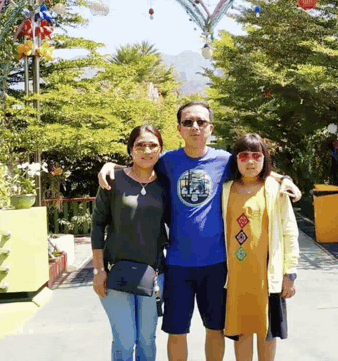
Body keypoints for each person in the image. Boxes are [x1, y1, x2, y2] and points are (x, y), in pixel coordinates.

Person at [98, 102, 301, 361]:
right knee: (176, 331)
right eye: (188, 122)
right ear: (179, 128)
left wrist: (284, 179)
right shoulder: (167, 161)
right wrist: (111, 166)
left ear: (210, 128)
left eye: (201, 122)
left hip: (217, 264)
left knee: (215, 329)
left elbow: (255, 170)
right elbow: (140, 165)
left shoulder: (225, 160)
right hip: (177, 264)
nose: (195, 127)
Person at [92, 124, 167, 361]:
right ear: (131, 150)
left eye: (153, 145)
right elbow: (97, 224)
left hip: (153, 275)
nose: (147, 150)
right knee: (124, 342)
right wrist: (98, 269)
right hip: (116, 274)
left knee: (147, 341)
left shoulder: (166, 184)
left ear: (160, 150)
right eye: (140, 145)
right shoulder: (113, 180)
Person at [222, 134, 299, 361]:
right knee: (241, 331)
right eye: (244, 155)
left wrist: (290, 273)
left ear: (264, 158)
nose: (250, 161)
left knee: (267, 333)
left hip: (267, 275)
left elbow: (289, 231)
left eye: (256, 155)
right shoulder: (225, 188)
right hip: (235, 276)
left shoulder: (276, 190)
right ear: (236, 159)